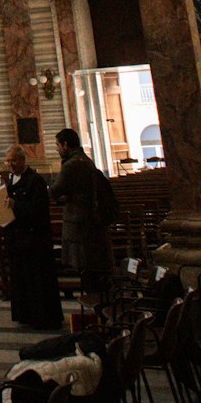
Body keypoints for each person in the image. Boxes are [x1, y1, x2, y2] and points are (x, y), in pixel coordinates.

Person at [50, 127, 114, 301]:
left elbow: (55, 190)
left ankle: (98, 310)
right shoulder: (84, 159)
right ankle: (100, 307)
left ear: (65, 144)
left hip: (81, 224)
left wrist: (61, 195)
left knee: (87, 271)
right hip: (89, 222)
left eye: (57, 145)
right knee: (91, 271)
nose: (56, 149)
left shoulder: (72, 164)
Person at [3, 145, 63, 329]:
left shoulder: (35, 180)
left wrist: (16, 205)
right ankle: (25, 314)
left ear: (23, 160)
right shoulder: (10, 180)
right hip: (18, 238)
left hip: (35, 239)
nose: (11, 165)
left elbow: (39, 209)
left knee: (37, 279)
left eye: (14, 161)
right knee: (21, 278)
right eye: (8, 161)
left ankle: (43, 316)